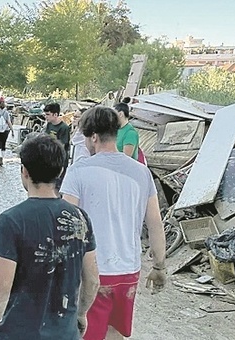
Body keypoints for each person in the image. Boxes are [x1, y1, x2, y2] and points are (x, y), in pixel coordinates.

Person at [0, 135, 99, 340]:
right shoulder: (80, 218)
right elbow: (93, 280)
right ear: (61, 171)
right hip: (65, 334)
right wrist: (81, 314)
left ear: (24, 171)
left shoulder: (12, 220)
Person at [60, 106, 167, 340]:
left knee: (86, 333)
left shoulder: (78, 171)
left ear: (94, 137)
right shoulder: (141, 172)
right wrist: (159, 266)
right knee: (115, 334)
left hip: (92, 272)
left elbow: (67, 226)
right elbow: (155, 223)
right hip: (129, 270)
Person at [42, 103, 71, 187]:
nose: (46, 117)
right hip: (49, 158)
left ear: (55, 114)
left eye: (48, 114)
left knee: (58, 184)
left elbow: (62, 145)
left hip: (59, 160)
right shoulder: (49, 124)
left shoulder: (64, 127)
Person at [0, 101, 14, 166]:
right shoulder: (6, 113)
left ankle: (0, 156)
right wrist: (12, 130)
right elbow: (9, 122)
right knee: (3, 144)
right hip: (6, 130)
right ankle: (2, 158)